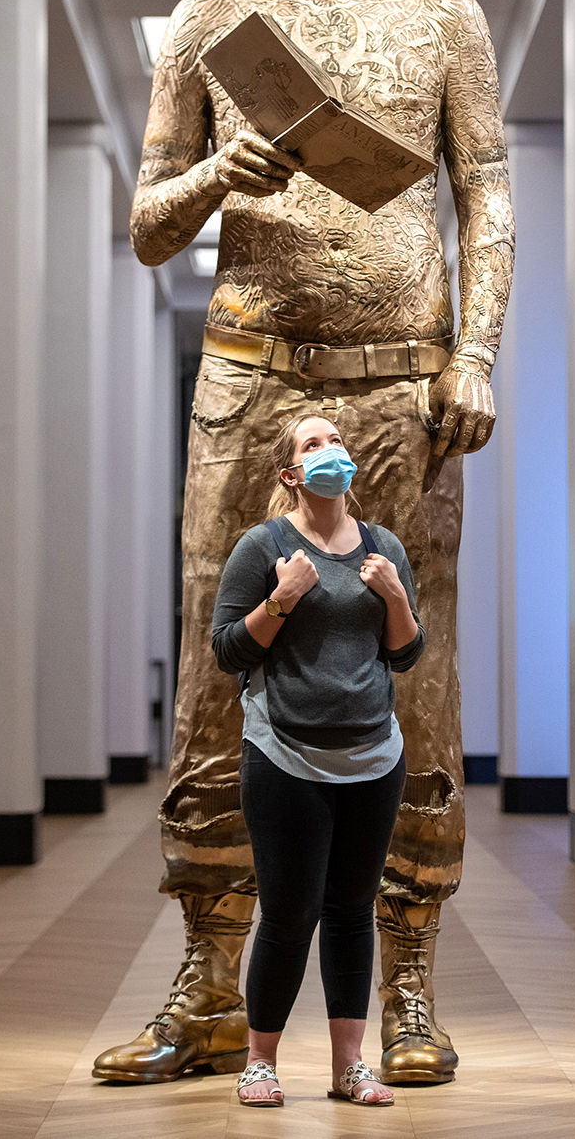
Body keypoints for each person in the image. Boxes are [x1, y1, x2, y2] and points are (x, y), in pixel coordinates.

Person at [92, 0, 513, 1089]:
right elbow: (147, 224)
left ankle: (407, 984)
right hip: (249, 380)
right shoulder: (212, 21)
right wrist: (220, 174)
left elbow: (485, 191)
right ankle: (209, 981)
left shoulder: (444, 19)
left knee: (408, 662)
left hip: (399, 387)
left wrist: (475, 353)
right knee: (222, 654)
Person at [219, 412, 424, 1105]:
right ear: (290, 473)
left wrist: (394, 594)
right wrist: (282, 598)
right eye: (314, 444)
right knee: (288, 912)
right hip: (284, 755)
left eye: (336, 441)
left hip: (374, 756)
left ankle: (350, 1066)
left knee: (351, 910)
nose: (331, 450)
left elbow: (405, 652)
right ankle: (260, 1062)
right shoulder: (264, 545)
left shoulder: (383, 547)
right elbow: (227, 649)